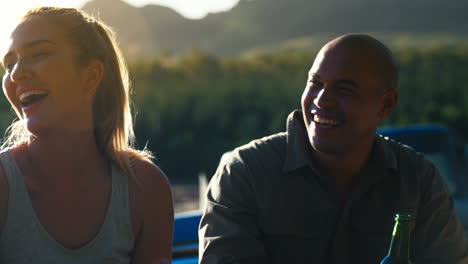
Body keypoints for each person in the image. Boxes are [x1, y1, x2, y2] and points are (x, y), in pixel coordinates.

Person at [199, 34, 468, 263]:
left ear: (386, 105)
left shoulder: (418, 180)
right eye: (315, 84)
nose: (322, 100)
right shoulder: (244, 173)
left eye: (344, 89)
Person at [0, 7, 173, 263]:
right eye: (9, 64)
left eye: (38, 54)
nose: (15, 74)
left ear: (91, 75)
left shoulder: (146, 189)